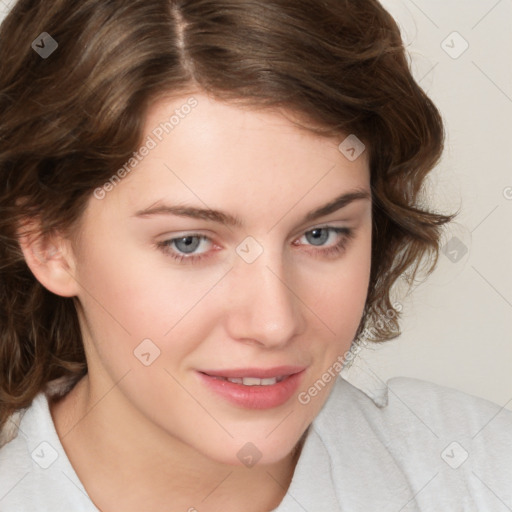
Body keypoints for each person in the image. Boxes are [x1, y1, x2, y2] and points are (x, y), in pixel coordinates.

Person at [0, 0, 510, 511]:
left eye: (321, 234)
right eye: (189, 243)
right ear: (49, 242)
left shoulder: (484, 473)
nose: (274, 324)